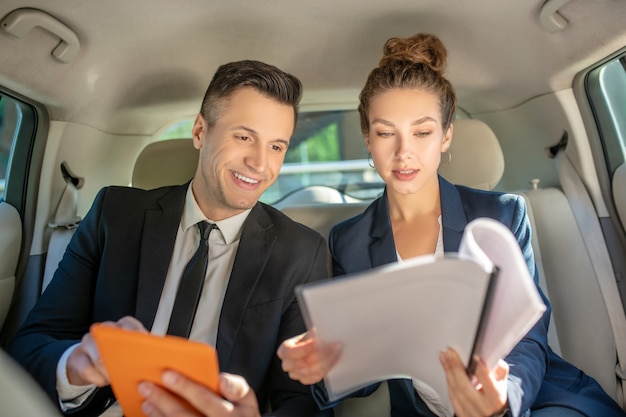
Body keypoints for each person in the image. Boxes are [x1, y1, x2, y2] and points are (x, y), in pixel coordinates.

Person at [277, 33, 626, 417]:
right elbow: (366, 367)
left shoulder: (503, 215)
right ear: (367, 139)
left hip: (536, 404)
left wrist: (502, 397)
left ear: (446, 136)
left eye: (422, 132)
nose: (403, 151)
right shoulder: (348, 240)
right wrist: (326, 364)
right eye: (385, 132)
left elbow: (527, 335)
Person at [8, 60, 330, 417]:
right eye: (244, 137)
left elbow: (306, 401)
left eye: (276, 147)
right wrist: (75, 367)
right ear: (199, 132)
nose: (259, 163)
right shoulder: (114, 215)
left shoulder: (301, 252)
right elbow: (31, 344)